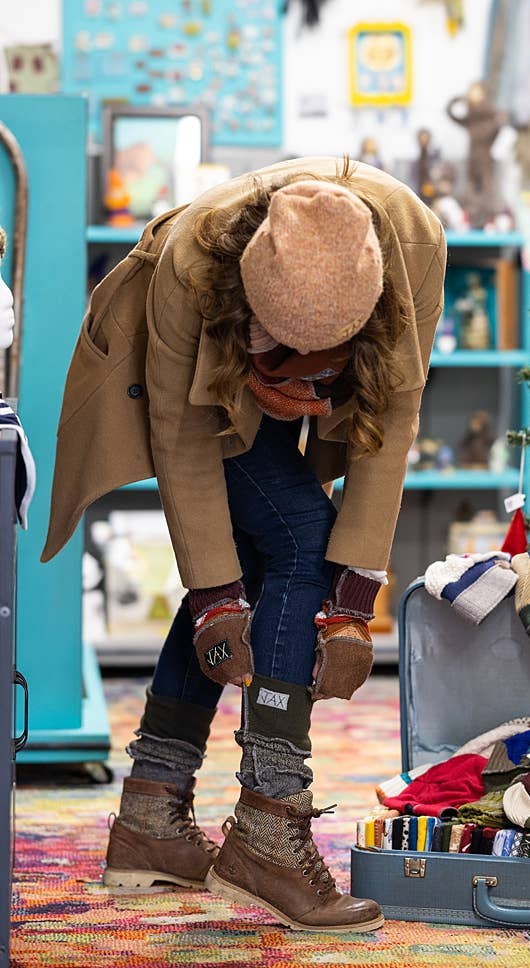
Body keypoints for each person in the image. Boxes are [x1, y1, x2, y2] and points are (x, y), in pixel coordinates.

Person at [42, 157, 446, 932]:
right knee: (295, 533)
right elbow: (184, 438)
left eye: (313, 366)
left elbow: (389, 430)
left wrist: (353, 603)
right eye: (276, 354)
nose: (293, 385)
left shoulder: (413, 253)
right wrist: (214, 601)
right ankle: (266, 829)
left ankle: (152, 819)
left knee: (268, 553)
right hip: (190, 372)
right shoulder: (193, 267)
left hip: (312, 341)